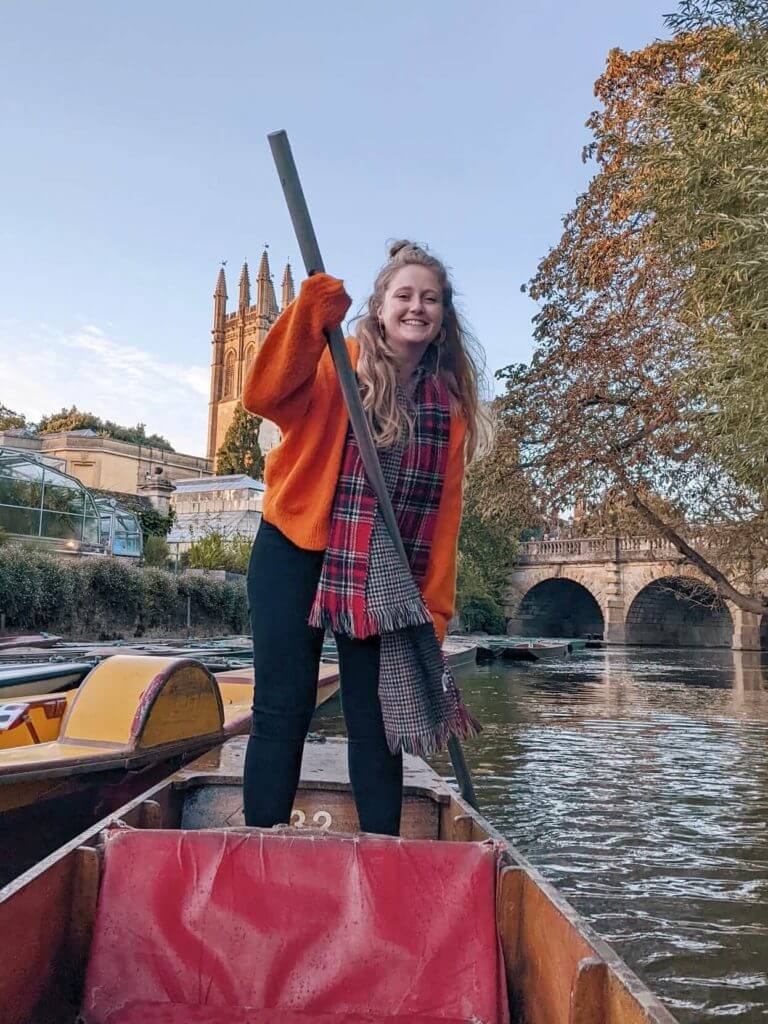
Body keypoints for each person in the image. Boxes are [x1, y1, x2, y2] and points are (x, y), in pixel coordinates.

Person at [242, 240, 484, 836]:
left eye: (430, 298)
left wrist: (435, 609)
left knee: (374, 723)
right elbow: (262, 395)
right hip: (294, 549)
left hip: (379, 567)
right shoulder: (337, 359)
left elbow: (444, 518)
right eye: (404, 295)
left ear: (442, 316)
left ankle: (382, 856)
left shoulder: (447, 408)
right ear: (380, 307)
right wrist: (307, 314)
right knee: (282, 708)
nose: (416, 307)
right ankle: (258, 846)